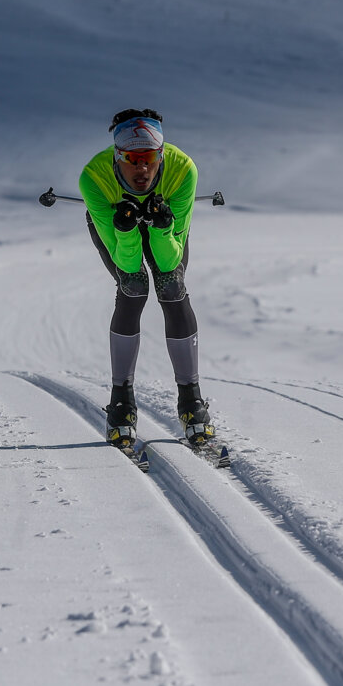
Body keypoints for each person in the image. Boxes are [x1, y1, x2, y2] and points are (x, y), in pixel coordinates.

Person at [79, 108, 212, 451]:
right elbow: (128, 262)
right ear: (117, 157)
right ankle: (121, 399)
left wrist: (163, 226)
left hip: (162, 224)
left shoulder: (183, 171)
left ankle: (190, 399)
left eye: (149, 157)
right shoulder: (94, 178)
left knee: (172, 287)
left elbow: (169, 261)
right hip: (117, 226)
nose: (141, 168)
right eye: (132, 159)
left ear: (162, 154)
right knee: (133, 288)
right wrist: (125, 231)